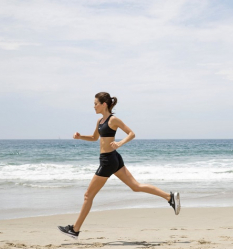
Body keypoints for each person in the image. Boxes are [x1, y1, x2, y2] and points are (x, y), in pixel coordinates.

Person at [58, 92, 180, 239]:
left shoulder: (113, 120)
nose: (94, 106)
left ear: (104, 105)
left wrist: (120, 143)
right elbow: (94, 137)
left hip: (109, 160)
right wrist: (80, 137)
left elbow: (131, 133)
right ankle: (169, 197)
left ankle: (75, 229)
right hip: (112, 159)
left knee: (87, 196)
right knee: (136, 186)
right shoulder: (100, 121)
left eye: (96, 103)